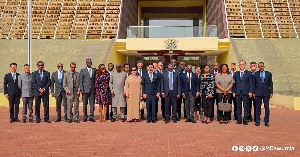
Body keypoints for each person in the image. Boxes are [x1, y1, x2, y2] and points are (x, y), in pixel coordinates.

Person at [232, 60, 253, 125]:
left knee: (246, 106)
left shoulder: (248, 73)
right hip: (238, 92)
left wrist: (251, 91)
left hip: (246, 92)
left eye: (243, 64)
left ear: (245, 65)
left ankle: (245, 119)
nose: (241, 66)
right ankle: (239, 119)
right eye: (240, 64)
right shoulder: (236, 73)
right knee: (238, 107)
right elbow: (234, 84)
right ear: (238, 66)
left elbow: (251, 83)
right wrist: (233, 91)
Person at [253, 62, 273, 127]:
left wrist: (271, 92)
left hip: (266, 93)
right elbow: (254, 84)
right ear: (258, 67)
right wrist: (253, 92)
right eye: (259, 66)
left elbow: (271, 84)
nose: (261, 67)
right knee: (257, 108)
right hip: (258, 93)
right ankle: (257, 121)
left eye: (262, 66)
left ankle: (266, 121)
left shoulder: (269, 74)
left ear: (264, 66)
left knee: (266, 108)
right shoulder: (256, 74)